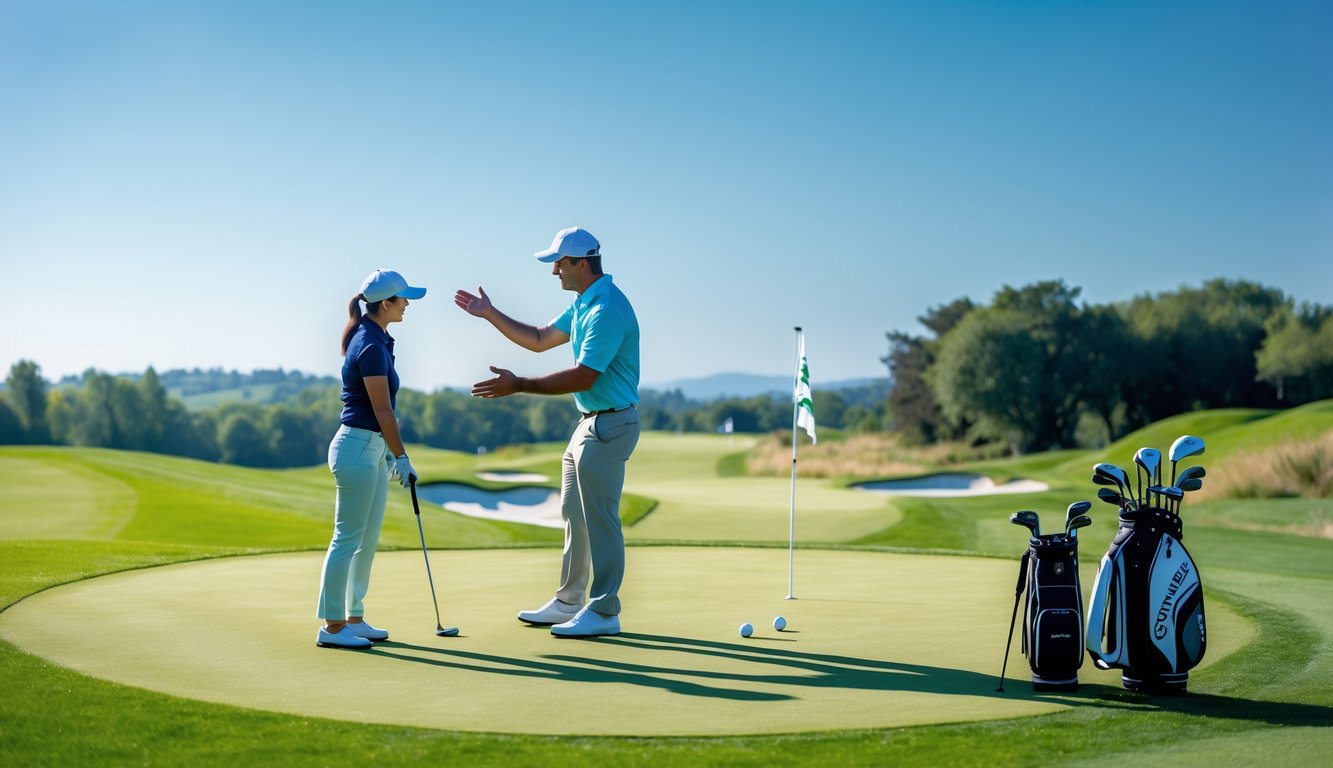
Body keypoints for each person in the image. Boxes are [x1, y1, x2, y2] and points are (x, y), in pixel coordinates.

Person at [455, 226, 640, 638]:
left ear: (581, 264)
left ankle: (605, 610)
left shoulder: (605, 309)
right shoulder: (584, 304)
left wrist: (520, 385)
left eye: (559, 263)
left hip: (611, 423)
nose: (554, 270)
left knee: (601, 519)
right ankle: (569, 601)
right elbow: (539, 339)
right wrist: (490, 313)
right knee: (575, 514)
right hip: (588, 424)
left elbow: (585, 376)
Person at [316, 269, 426, 649]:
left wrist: (391, 455)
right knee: (347, 538)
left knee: (367, 539)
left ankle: (354, 617)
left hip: (371, 449)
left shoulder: (379, 339)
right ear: (385, 304)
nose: (408, 304)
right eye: (403, 299)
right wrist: (403, 456)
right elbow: (383, 411)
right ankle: (331, 627)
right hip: (358, 447)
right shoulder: (370, 345)